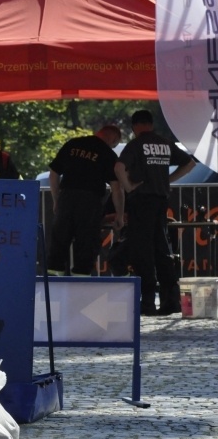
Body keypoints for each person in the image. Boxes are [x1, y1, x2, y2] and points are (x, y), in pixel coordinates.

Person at [114, 110, 196, 315]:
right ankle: (171, 301)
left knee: (142, 252)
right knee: (162, 250)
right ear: (151, 124)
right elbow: (190, 163)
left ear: (134, 127)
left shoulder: (136, 145)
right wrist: (168, 180)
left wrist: (129, 187)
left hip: (141, 202)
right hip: (161, 202)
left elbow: (118, 167)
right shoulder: (165, 143)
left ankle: (148, 302)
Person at [46, 125, 123, 276]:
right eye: (114, 144)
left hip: (67, 197)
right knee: (87, 242)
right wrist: (119, 215)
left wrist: (57, 200)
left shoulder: (73, 144)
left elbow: (54, 174)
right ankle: (80, 278)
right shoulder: (108, 153)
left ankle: (53, 277)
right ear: (113, 139)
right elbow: (117, 188)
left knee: (59, 239)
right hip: (90, 201)